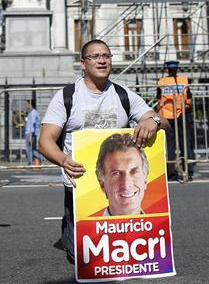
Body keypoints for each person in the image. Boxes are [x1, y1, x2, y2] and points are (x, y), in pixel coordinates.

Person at [38, 39, 169, 264]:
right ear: (82, 63)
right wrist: (63, 160)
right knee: (84, 259)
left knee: (124, 257)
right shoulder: (67, 96)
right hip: (80, 186)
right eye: (95, 57)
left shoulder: (123, 94)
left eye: (106, 56)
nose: (101, 61)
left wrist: (154, 121)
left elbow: (164, 122)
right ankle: (70, 222)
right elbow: (45, 140)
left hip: (119, 180)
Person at [155, 60, 194, 180]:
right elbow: (189, 99)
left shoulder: (162, 82)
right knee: (185, 144)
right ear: (177, 69)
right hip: (182, 114)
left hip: (167, 116)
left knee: (169, 145)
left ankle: (171, 172)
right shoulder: (185, 80)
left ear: (168, 69)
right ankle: (188, 171)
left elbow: (158, 100)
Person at [95, 133, 148, 216]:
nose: (126, 184)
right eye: (116, 174)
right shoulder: (89, 228)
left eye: (134, 172)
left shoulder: (160, 227)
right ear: (102, 184)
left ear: (145, 180)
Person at [24, 99, 41, 166]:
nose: (26, 105)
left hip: (31, 133)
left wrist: (31, 135)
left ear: (30, 104)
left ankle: (35, 160)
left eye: (27, 104)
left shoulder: (33, 112)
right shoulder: (30, 112)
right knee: (30, 149)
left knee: (30, 149)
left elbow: (33, 124)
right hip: (28, 133)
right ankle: (30, 161)